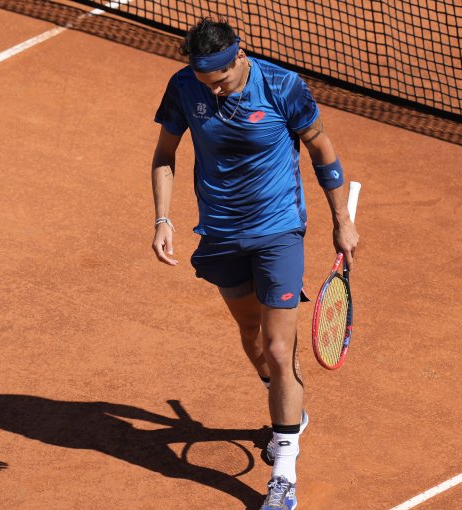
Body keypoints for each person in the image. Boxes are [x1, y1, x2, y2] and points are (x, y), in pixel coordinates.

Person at [149, 17, 358, 510]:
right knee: (252, 337)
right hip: (221, 234)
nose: (215, 92)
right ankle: (289, 402)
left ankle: (283, 470)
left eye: (221, 81)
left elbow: (322, 149)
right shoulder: (184, 88)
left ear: (240, 57)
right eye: (207, 84)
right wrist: (163, 218)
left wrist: (341, 219)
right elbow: (164, 154)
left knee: (279, 349)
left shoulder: (283, 87)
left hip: (279, 230)